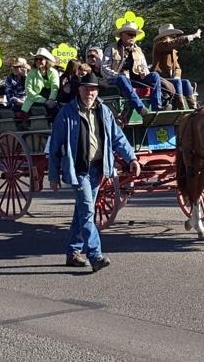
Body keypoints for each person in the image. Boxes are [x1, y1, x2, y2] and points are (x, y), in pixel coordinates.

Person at [48, 73, 141, 273]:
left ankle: (73, 252)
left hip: (97, 168)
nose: (89, 92)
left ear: (97, 91)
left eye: (93, 89)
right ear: (79, 90)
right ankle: (95, 255)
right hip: (78, 169)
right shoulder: (66, 114)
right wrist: (53, 176)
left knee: (82, 210)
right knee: (88, 210)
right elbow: (54, 146)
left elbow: (118, 138)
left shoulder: (104, 111)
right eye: (86, 88)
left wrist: (131, 158)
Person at [102, 21, 163, 120]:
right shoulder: (111, 48)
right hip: (116, 81)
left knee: (154, 76)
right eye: (130, 34)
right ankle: (141, 108)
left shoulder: (138, 50)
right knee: (122, 78)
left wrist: (144, 72)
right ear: (121, 35)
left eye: (134, 35)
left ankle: (157, 108)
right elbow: (104, 69)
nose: (133, 37)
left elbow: (144, 67)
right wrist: (117, 75)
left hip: (135, 80)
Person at [151, 24, 202, 109]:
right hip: (160, 80)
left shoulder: (173, 51)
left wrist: (177, 76)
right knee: (178, 83)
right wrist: (193, 36)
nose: (174, 37)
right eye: (172, 35)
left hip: (171, 80)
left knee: (186, 82)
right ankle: (181, 108)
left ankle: (194, 109)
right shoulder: (159, 46)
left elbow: (177, 68)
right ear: (164, 37)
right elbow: (173, 43)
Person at [21, 48, 61, 120]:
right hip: (34, 101)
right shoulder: (31, 72)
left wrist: (51, 100)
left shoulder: (53, 72)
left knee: (56, 109)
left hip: (50, 100)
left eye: (41, 59)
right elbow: (28, 91)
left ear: (46, 61)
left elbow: (55, 88)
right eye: (36, 59)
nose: (38, 61)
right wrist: (44, 101)